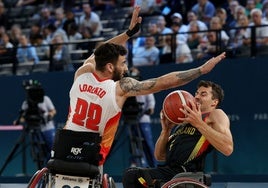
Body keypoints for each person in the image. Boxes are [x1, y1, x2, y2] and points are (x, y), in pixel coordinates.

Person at [62, 6, 226, 176]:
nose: (125, 68)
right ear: (110, 67)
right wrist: (200, 70)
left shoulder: (82, 73)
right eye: (123, 63)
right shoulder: (120, 88)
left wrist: (128, 33)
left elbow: (101, 51)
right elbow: (163, 82)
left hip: (63, 149)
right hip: (92, 154)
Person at [122, 80, 234, 188]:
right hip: (170, 171)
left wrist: (199, 124)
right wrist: (165, 130)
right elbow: (160, 156)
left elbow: (228, 148)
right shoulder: (184, 121)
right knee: (131, 173)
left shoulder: (216, 114)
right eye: (196, 93)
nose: (197, 97)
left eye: (203, 94)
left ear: (215, 102)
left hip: (185, 173)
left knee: (132, 176)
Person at [15, 80, 57, 162]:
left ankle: (52, 166)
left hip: (48, 128)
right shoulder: (26, 103)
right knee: (39, 152)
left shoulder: (45, 99)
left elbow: (53, 111)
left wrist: (49, 115)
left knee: (53, 149)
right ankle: (42, 168)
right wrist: (20, 120)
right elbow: (24, 116)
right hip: (35, 129)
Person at [128, 67, 157, 168]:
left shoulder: (146, 87)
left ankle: (154, 166)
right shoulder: (128, 89)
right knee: (132, 144)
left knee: (148, 144)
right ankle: (135, 164)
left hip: (144, 120)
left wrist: (150, 109)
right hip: (131, 120)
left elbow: (151, 103)